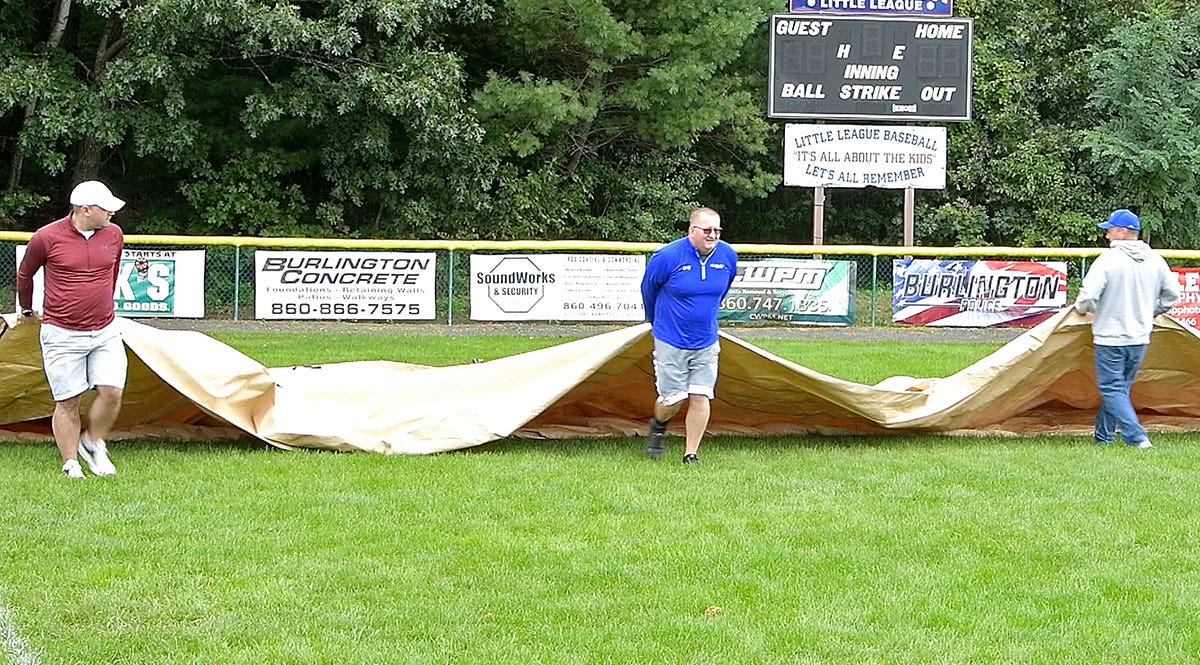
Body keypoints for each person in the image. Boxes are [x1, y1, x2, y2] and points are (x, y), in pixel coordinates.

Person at [16, 180, 128, 478]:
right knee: (68, 401)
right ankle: (70, 462)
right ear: (86, 210)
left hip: (105, 329)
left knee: (113, 391)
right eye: (107, 209)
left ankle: (93, 442)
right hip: (61, 334)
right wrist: (27, 309)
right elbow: (25, 274)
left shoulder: (114, 235)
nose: (112, 215)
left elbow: (112, 271)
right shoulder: (46, 237)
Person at [1074, 208, 1180, 449]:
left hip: (1110, 337)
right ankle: (1103, 438)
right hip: (1140, 337)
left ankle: (1137, 437)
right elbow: (1172, 294)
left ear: (1122, 232)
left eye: (1110, 230)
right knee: (1119, 390)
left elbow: (1088, 295)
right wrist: (1152, 311)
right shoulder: (1156, 260)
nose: (1107, 235)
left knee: (1112, 389)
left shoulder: (1108, 260)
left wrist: (1082, 309)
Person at [640, 207, 738, 464]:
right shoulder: (667, 257)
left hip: (706, 340)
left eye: (717, 230)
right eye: (707, 230)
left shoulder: (728, 256)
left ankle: (690, 453)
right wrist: (656, 323)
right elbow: (648, 290)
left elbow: (722, 290)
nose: (713, 235)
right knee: (672, 398)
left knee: (701, 394)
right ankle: (659, 425)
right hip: (670, 339)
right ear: (692, 231)